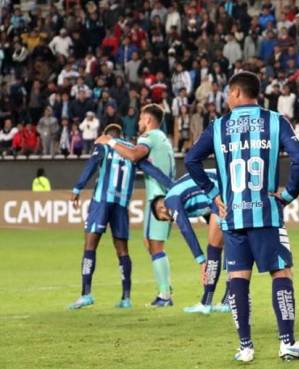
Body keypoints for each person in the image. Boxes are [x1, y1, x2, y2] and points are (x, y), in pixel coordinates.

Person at [185, 71, 299, 363]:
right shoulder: (275, 121)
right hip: (266, 214)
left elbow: (190, 159)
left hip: (232, 216)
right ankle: (287, 343)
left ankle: (245, 347)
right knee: (281, 273)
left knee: (237, 278)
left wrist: (212, 194)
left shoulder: (218, 127)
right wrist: (288, 195)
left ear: (235, 93)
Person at [68, 125, 169, 310]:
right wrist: (171, 185)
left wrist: (77, 188)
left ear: (107, 134)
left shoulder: (104, 145)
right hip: (121, 205)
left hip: (102, 201)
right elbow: (152, 170)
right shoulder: (130, 151)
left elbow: (91, 165)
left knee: (90, 246)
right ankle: (126, 298)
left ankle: (86, 294)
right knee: (122, 251)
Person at [95, 105, 176, 307]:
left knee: (155, 244)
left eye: (141, 119)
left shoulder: (149, 137)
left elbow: (134, 155)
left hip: (158, 199)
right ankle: (165, 288)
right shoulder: (163, 139)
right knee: (150, 243)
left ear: (148, 120)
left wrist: (110, 141)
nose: (138, 123)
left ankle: (165, 295)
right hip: (164, 196)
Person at [149, 170, 230, 314]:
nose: (168, 220)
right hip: (226, 186)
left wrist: (201, 261)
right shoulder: (182, 193)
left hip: (220, 192)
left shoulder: (171, 200)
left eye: (163, 217)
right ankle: (228, 299)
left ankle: (207, 303)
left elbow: (186, 229)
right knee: (228, 243)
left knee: (213, 248)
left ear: (161, 207)